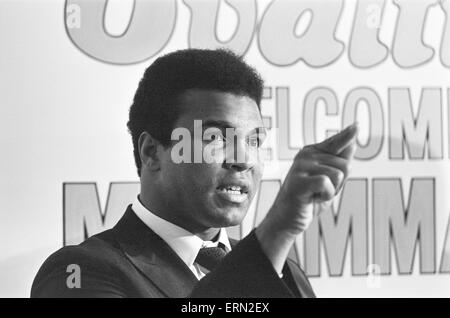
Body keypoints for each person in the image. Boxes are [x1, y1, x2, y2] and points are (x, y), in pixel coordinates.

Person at [31, 49, 357, 298]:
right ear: (152, 152)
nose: (243, 159)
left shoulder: (283, 271)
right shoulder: (78, 273)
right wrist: (277, 231)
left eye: (254, 140)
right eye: (215, 138)